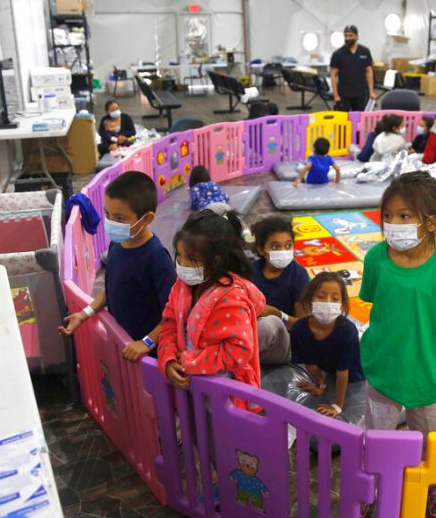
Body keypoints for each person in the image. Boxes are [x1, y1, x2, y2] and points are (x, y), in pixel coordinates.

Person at [359, 171, 436, 518]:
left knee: (430, 443)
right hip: (383, 368)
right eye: (388, 216)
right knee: (376, 441)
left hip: (428, 371)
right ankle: (373, 487)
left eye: (404, 216)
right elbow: (376, 302)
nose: (393, 224)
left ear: (432, 221)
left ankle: (434, 491)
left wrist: (424, 336)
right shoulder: (376, 258)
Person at [59, 171, 176, 364]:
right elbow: (112, 288)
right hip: (124, 344)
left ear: (146, 219)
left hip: (148, 357)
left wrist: (146, 342)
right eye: (107, 214)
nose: (111, 223)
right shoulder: (117, 243)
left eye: (120, 218)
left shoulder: (156, 258)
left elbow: (173, 313)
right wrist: (85, 313)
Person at [157, 208, 266, 411]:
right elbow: (169, 326)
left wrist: (192, 362)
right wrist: (169, 358)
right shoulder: (181, 287)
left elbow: (239, 351)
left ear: (215, 261)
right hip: (188, 381)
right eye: (179, 256)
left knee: (218, 438)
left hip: (221, 391)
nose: (182, 264)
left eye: (193, 259)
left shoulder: (231, 298)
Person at [290, 272, 365, 419]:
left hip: (351, 375)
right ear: (310, 299)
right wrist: (320, 385)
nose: (327, 302)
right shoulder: (299, 328)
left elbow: (343, 372)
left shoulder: (347, 330)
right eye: (321, 296)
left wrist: (337, 405)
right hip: (328, 369)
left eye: (335, 298)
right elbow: (310, 364)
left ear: (342, 304)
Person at [250, 216, 311, 364]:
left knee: (269, 324)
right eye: (276, 247)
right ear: (261, 249)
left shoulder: (299, 275)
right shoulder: (251, 271)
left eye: (288, 246)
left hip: (285, 344)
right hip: (250, 334)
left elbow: (303, 327)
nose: (283, 251)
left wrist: (278, 314)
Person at [330, 25, 375, 111]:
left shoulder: (365, 51)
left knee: (359, 120)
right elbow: (333, 75)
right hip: (343, 94)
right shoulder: (338, 54)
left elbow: (369, 71)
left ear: (357, 36)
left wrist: (371, 91)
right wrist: (335, 95)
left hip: (361, 93)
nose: (348, 38)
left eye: (350, 35)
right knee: (342, 121)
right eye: (346, 36)